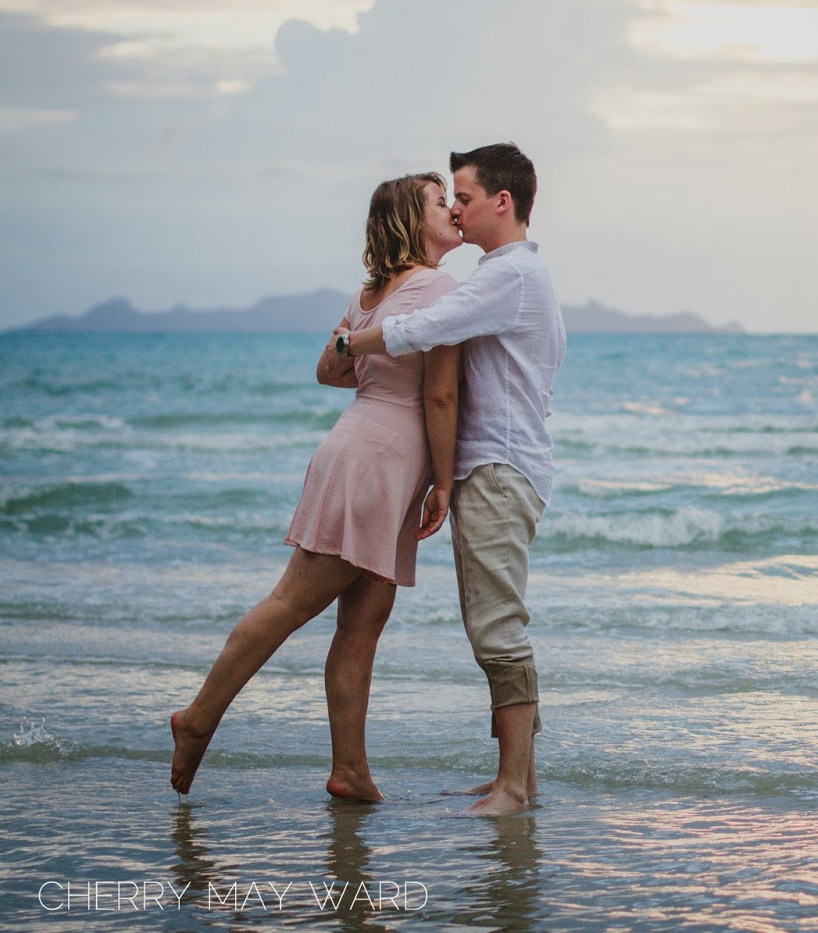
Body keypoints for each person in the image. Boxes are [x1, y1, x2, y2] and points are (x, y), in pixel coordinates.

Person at [169, 172, 464, 800]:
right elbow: (439, 393)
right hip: (379, 464)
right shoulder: (438, 287)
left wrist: (367, 354)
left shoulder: (371, 293)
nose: (453, 211)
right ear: (414, 222)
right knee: (293, 601)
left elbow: (331, 368)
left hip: (362, 449)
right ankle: (196, 720)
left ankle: (350, 771)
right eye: (442, 203)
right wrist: (444, 482)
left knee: (363, 622)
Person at [338, 142, 565, 816]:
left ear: (503, 202)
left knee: (498, 628)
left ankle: (515, 786)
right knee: (492, 623)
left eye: (463, 198)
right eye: (451, 201)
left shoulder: (509, 276)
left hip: (497, 467)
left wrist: (354, 340)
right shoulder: (514, 275)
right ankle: (512, 776)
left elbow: (427, 327)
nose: (457, 211)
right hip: (501, 466)